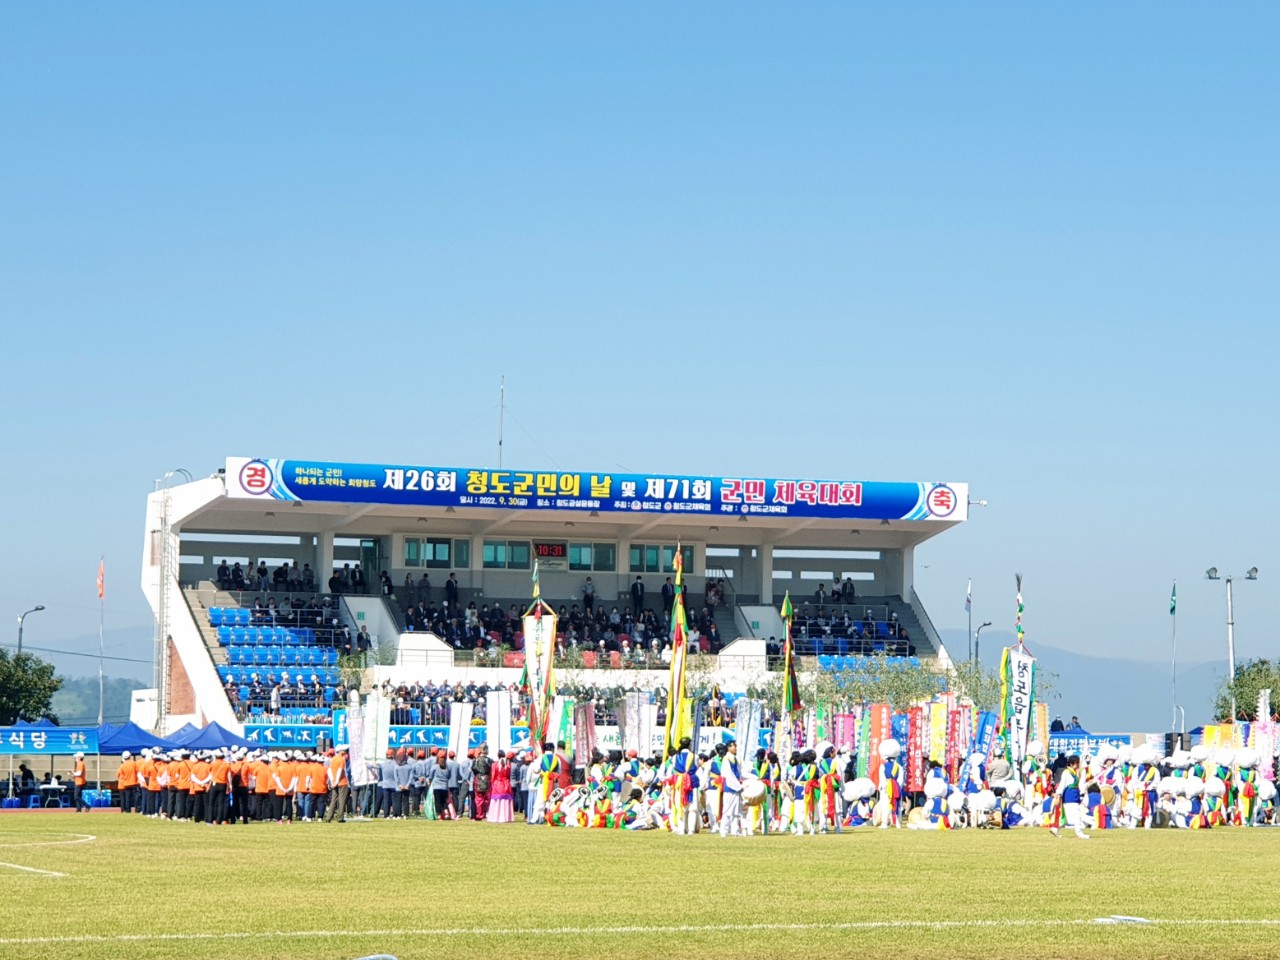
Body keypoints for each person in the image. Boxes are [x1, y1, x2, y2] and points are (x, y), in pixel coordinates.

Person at [487, 751, 514, 823]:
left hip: (497, 783)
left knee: (497, 801)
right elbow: (508, 776)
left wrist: (492, 784)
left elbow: (493, 776)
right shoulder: (508, 765)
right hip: (505, 784)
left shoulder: (494, 764)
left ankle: (495, 817)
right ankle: (506, 817)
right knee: (505, 801)